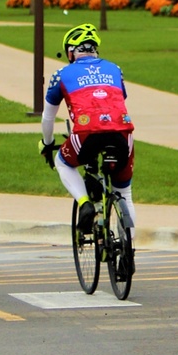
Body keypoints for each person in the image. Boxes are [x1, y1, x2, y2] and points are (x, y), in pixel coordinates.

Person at [38, 23, 136, 239]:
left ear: (71, 52)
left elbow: (48, 117)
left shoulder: (61, 74)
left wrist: (47, 142)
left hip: (87, 133)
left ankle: (84, 203)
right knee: (124, 192)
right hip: (122, 132)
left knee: (62, 162)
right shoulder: (115, 69)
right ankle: (127, 252)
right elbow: (119, 99)